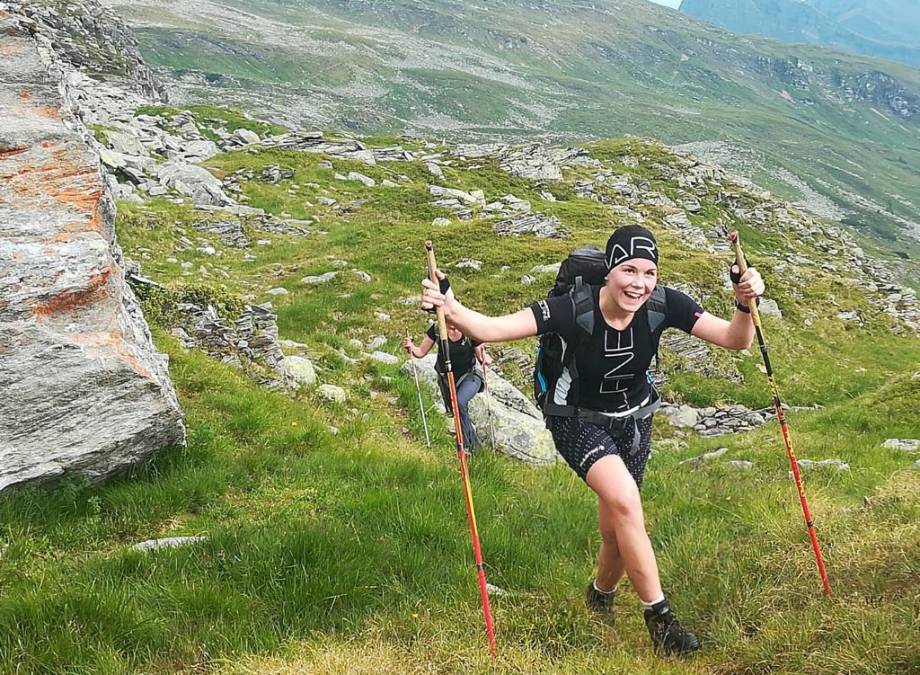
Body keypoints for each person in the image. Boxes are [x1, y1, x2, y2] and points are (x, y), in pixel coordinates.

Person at [420, 225, 764, 657]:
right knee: (625, 502)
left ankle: (599, 596)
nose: (638, 283)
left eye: (649, 272)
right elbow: (491, 329)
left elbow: (736, 340)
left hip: (635, 420)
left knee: (617, 527)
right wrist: (449, 305)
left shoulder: (665, 304)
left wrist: (744, 303)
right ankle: (661, 621)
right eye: (628, 270)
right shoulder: (571, 309)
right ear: (608, 270)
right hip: (575, 419)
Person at [404, 322, 492, 452]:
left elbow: (481, 356)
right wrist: (411, 347)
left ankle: (469, 447)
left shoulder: (469, 328)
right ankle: (472, 447)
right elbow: (421, 352)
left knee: (459, 402)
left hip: (470, 376)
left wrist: (486, 358)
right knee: (457, 412)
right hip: (447, 380)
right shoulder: (436, 329)